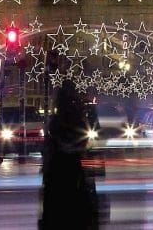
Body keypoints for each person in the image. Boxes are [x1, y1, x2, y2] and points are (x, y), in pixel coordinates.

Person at [40, 80, 98, 229]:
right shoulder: (78, 117)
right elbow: (84, 141)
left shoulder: (55, 121)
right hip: (72, 167)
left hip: (56, 168)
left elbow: (49, 145)